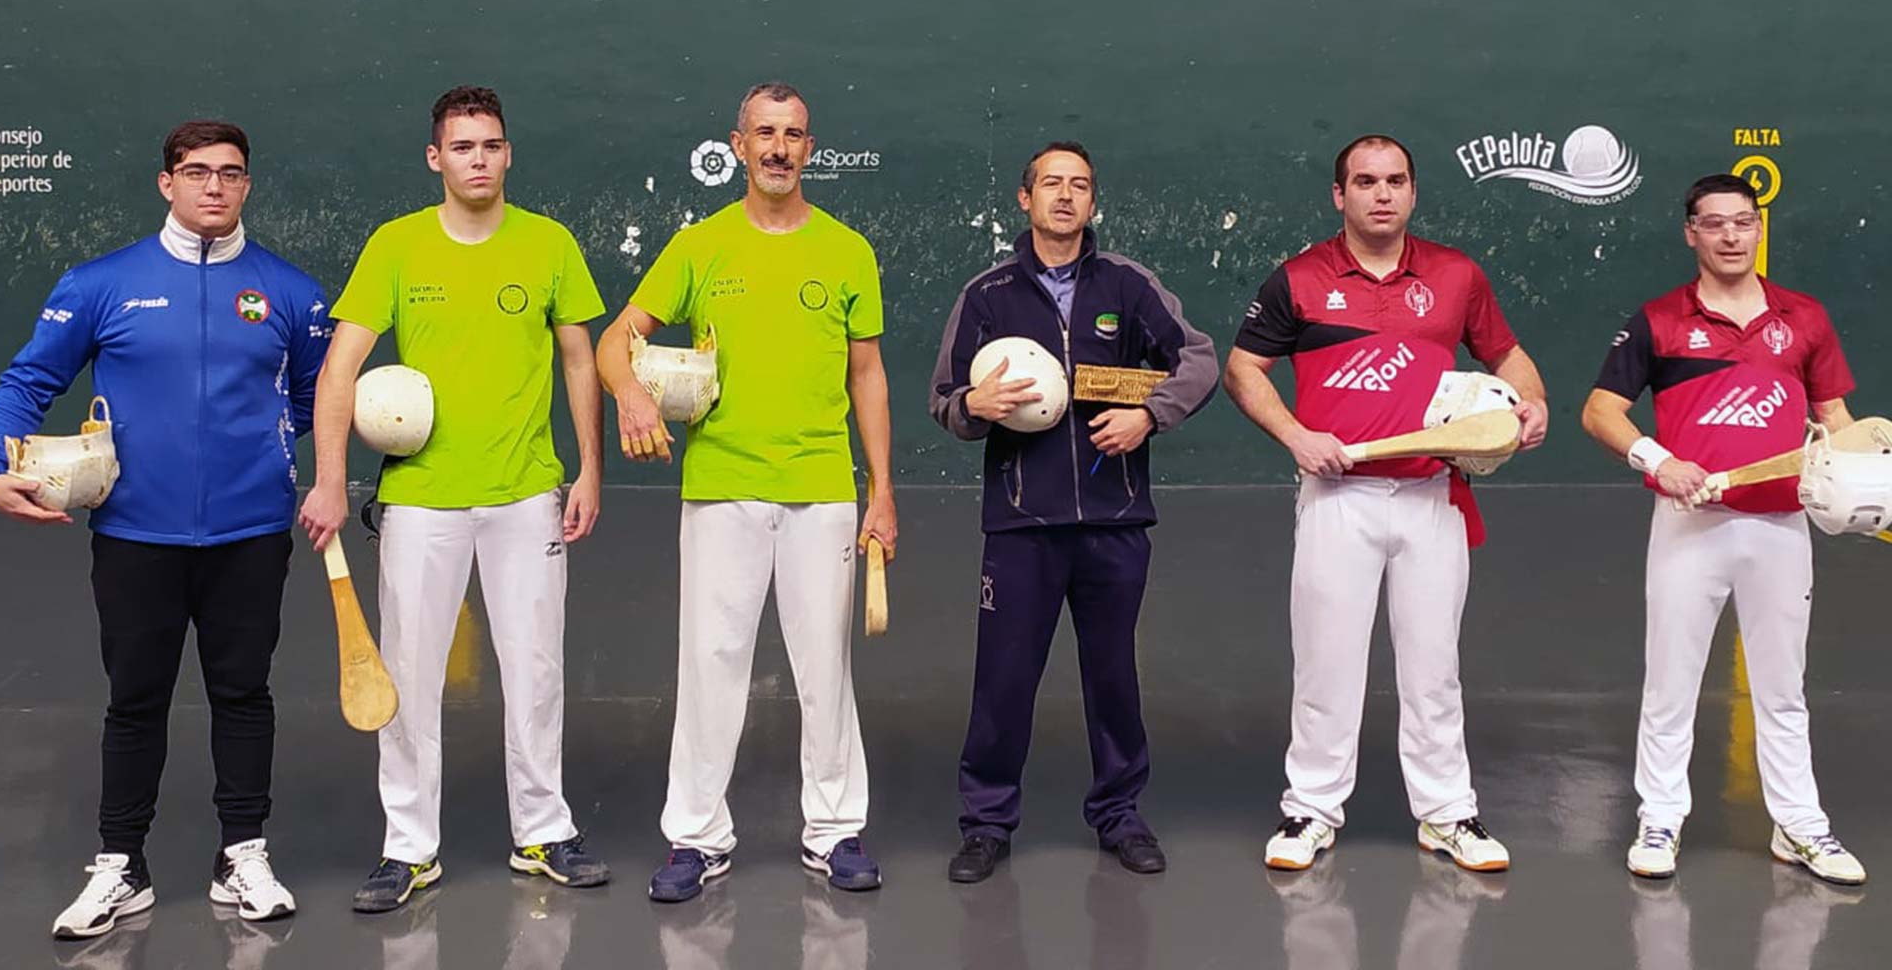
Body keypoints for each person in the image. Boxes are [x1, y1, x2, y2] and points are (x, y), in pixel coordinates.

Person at [0, 121, 327, 938]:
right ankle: (120, 866)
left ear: (247, 186)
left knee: (244, 693)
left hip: (251, 532)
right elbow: (29, 379)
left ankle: (242, 851)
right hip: (135, 535)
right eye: (196, 172)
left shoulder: (292, 293)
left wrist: (261, 449)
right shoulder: (102, 284)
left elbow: (313, 398)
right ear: (166, 183)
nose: (214, 187)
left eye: (230, 174)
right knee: (136, 700)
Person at [298, 86, 609, 912]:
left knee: (537, 671)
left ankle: (542, 830)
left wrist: (589, 469)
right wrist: (331, 478)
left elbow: (580, 360)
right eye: (463, 147)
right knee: (407, 675)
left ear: (509, 154)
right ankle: (409, 849)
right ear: (436, 159)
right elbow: (340, 369)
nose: (479, 159)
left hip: (525, 496)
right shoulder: (396, 247)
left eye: (492, 145)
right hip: (422, 503)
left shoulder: (548, 245)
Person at [598, 80, 896, 901]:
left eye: (793, 135)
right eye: (764, 132)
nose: (778, 147)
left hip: (821, 486)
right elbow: (614, 340)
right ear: (737, 144)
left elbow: (867, 377)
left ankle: (835, 832)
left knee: (825, 667)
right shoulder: (699, 248)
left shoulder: (847, 251)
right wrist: (628, 393)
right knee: (711, 661)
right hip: (722, 485)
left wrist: (882, 492)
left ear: (810, 149)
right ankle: (696, 838)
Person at [1223, 134, 1548, 873]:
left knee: (1434, 667)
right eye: (1365, 182)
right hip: (1339, 499)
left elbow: (1508, 354)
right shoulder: (1300, 279)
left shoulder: (1457, 275)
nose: (1381, 194)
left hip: (1433, 497)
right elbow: (1244, 369)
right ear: (1339, 195)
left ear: (1412, 192)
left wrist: (1533, 402)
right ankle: (1308, 811)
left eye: (1395, 180)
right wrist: (1297, 435)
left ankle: (1447, 814)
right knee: (1327, 665)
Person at [928, 140, 1218, 882]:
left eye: (1080, 185)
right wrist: (976, 406)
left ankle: (1119, 816)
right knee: (1003, 679)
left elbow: (1198, 359)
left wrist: (1148, 416)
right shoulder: (988, 294)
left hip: (1115, 523)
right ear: (1023, 200)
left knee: (1114, 676)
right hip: (1022, 527)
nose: (1065, 195)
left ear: (1094, 203)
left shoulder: (1127, 284)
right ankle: (986, 823)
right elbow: (943, 401)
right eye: (1050, 184)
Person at [1581, 173, 1866, 885]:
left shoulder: (1804, 318)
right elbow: (1600, 411)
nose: (1731, 236)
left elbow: (1836, 420)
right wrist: (1658, 457)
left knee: (1782, 685)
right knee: (1670, 680)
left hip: (1779, 528)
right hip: (1690, 525)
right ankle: (1660, 816)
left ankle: (1799, 824)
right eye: (1715, 224)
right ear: (1691, 233)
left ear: (1759, 227)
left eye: (1743, 222)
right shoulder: (1658, 321)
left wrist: (1863, 478)